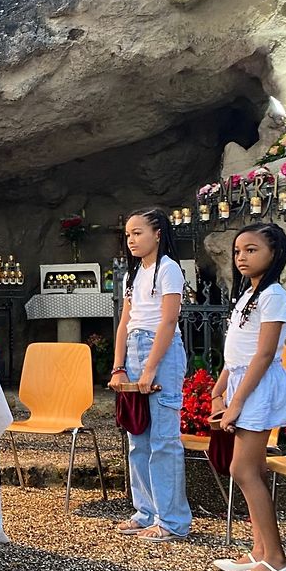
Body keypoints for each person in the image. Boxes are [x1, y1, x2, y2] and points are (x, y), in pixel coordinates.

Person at [211, 223, 286, 571]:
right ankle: (260, 551)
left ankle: (277, 560)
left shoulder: (273, 295)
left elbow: (264, 354)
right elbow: (236, 354)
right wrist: (219, 390)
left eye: (251, 250)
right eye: (237, 251)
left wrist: (236, 404)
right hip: (243, 382)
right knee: (253, 470)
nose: (241, 257)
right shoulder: (249, 294)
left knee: (243, 470)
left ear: (274, 253)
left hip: (258, 387)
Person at [108, 208, 192, 542]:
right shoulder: (132, 275)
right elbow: (125, 323)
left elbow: (168, 322)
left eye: (138, 232)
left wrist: (151, 369)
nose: (131, 240)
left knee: (164, 441)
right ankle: (145, 512)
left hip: (162, 352)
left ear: (157, 234)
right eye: (128, 234)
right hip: (134, 349)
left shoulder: (169, 269)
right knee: (137, 438)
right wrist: (119, 367)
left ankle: (171, 521)